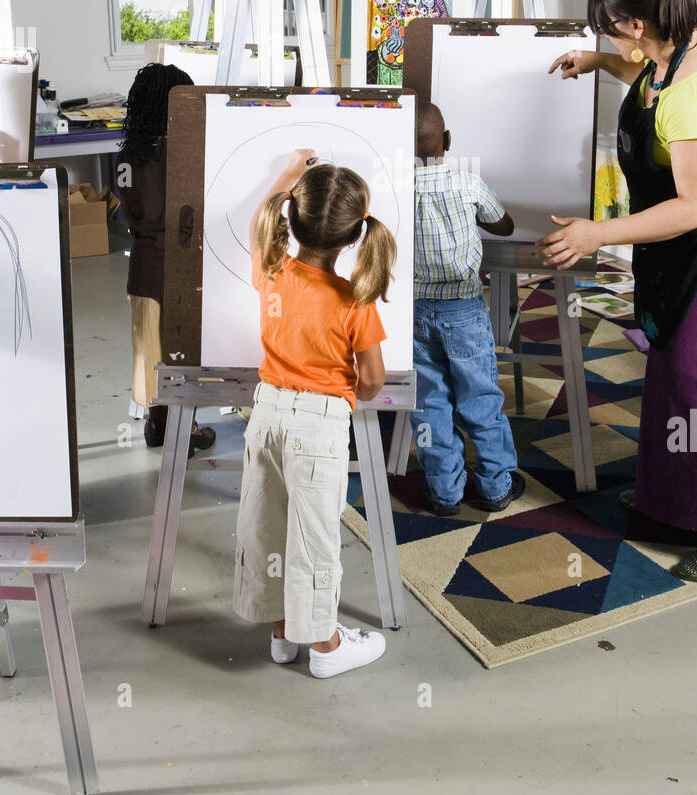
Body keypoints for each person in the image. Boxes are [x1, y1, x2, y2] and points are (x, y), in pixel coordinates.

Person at [538, 0, 697, 582]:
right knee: (676, 367)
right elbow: (647, 78)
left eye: (608, 32)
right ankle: (681, 496)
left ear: (639, 22)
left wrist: (599, 234)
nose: (605, 39)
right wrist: (601, 63)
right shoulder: (678, 40)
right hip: (694, 235)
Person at [234, 150, 396, 678]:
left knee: (267, 525)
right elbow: (372, 379)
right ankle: (325, 646)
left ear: (292, 218)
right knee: (315, 537)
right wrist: (353, 390)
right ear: (354, 238)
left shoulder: (271, 269)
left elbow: (262, 215)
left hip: (265, 416)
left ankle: (281, 632)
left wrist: (287, 177)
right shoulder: (354, 299)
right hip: (319, 426)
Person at [411, 101, 525, 516]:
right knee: (480, 399)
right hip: (463, 310)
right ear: (447, 141)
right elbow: (505, 225)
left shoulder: (394, 187)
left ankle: (444, 493)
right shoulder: (467, 184)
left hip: (414, 313)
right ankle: (495, 487)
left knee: (428, 403)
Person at [115, 63, 215, 453]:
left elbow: (128, 206)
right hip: (184, 266)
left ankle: (158, 427)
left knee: (151, 352)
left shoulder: (127, 156)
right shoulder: (189, 153)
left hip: (143, 266)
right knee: (184, 352)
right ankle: (185, 433)